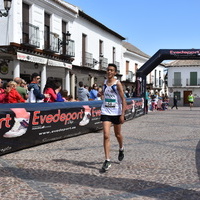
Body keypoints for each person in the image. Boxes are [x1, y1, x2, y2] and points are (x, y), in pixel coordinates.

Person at [100, 63, 126, 171]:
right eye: (108, 70)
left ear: (115, 73)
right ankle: (107, 160)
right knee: (106, 135)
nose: (109, 72)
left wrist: (122, 114)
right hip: (106, 111)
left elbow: (123, 99)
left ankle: (121, 148)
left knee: (118, 134)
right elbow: (104, 95)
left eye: (111, 70)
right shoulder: (104, 83)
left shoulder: (117, 84)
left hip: (116, 112)